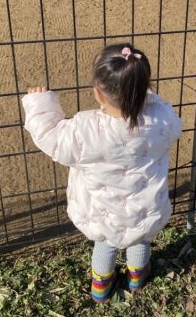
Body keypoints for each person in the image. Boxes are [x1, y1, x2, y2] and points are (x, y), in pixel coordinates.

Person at [22, 43, 182, 303]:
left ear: (98, 93)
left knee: (105, 244)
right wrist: (144, 94)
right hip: (146, 208)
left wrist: (41, 103)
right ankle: (137, 278)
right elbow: (172, 120)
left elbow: (50, 135)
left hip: (102, 213)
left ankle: (101, 287)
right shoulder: (162, 119)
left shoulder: (85, 130)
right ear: (143, 85)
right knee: (140, 241)